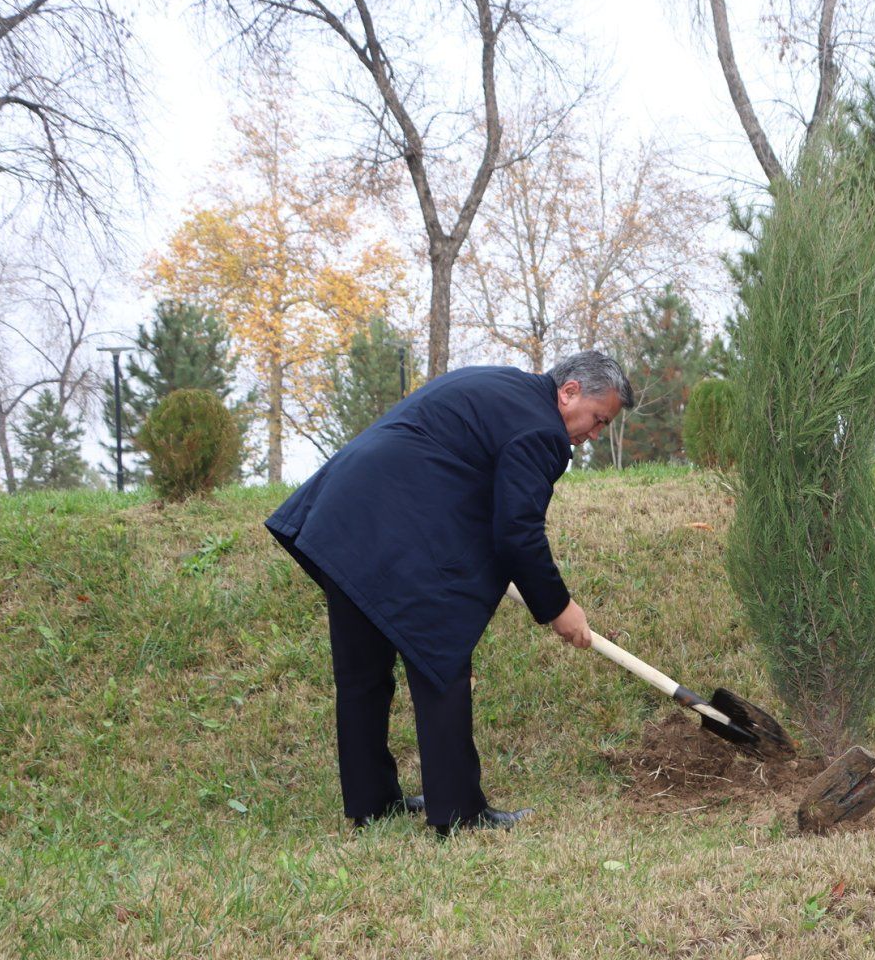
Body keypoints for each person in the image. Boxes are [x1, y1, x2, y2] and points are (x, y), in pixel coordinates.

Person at [265, 352, 634, 836]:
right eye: (598, 419)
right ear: (569, 392)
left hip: (342, 517)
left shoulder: (504, 385)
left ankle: (372, 804)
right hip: (388, 528)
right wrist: (558, 608)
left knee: (362, 675)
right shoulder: (540, 429)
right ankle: (458, 812)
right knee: (441, 660)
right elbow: (517, 531)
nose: (594, 434)